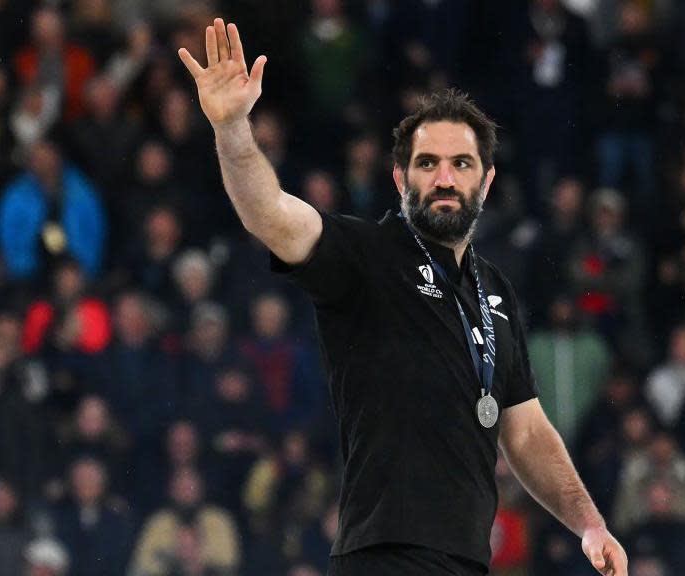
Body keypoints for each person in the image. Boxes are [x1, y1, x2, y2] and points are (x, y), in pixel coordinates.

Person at [178, 18, 628, 576]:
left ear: (486, 182)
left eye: (461, 164)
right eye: (427, 163)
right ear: (399, 179)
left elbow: (526, 429)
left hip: (466, 560)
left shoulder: (497, 291)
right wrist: (232, 129)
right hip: (382, 556)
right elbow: (269, 214)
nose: (444, 178)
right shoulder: (366, 254)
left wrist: (589, 523)